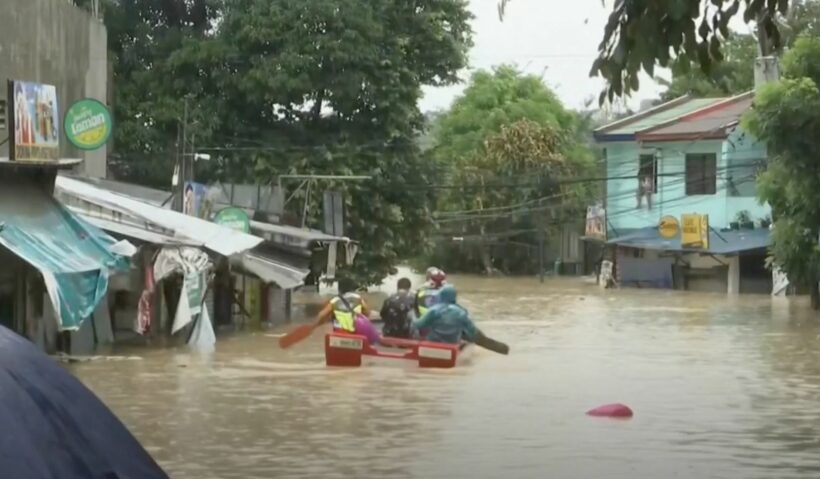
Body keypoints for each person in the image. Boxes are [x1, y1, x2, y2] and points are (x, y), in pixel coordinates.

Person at [313, 278, 380, 344]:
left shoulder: (334, 301)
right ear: (352, 288)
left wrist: (316, 325)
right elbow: (367, 313)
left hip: (340, 333)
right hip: (356, 333)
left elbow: (321, 315)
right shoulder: (358, 298)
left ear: (339, 289)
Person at [412, 284, 479, 345]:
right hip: (453, 344)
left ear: (440, 295)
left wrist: (413, 318)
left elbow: (418, 324)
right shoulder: (461, 312)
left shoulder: (433, 310)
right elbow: (472, 331)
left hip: (433, 342)